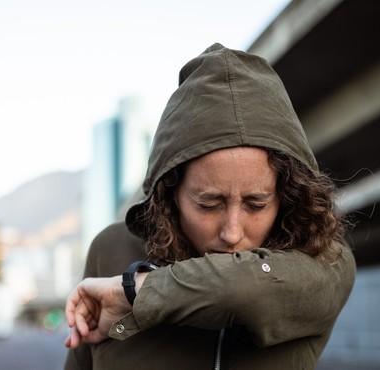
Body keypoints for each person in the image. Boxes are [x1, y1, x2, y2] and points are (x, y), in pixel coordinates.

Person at [63, 43, 356, 370]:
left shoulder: (324, 259)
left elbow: (242, 290)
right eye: (209, 204)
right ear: (169, 194)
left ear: (287, 195)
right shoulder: (111, 249)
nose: (232, 232)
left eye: (255, 204)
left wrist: (135, 291)